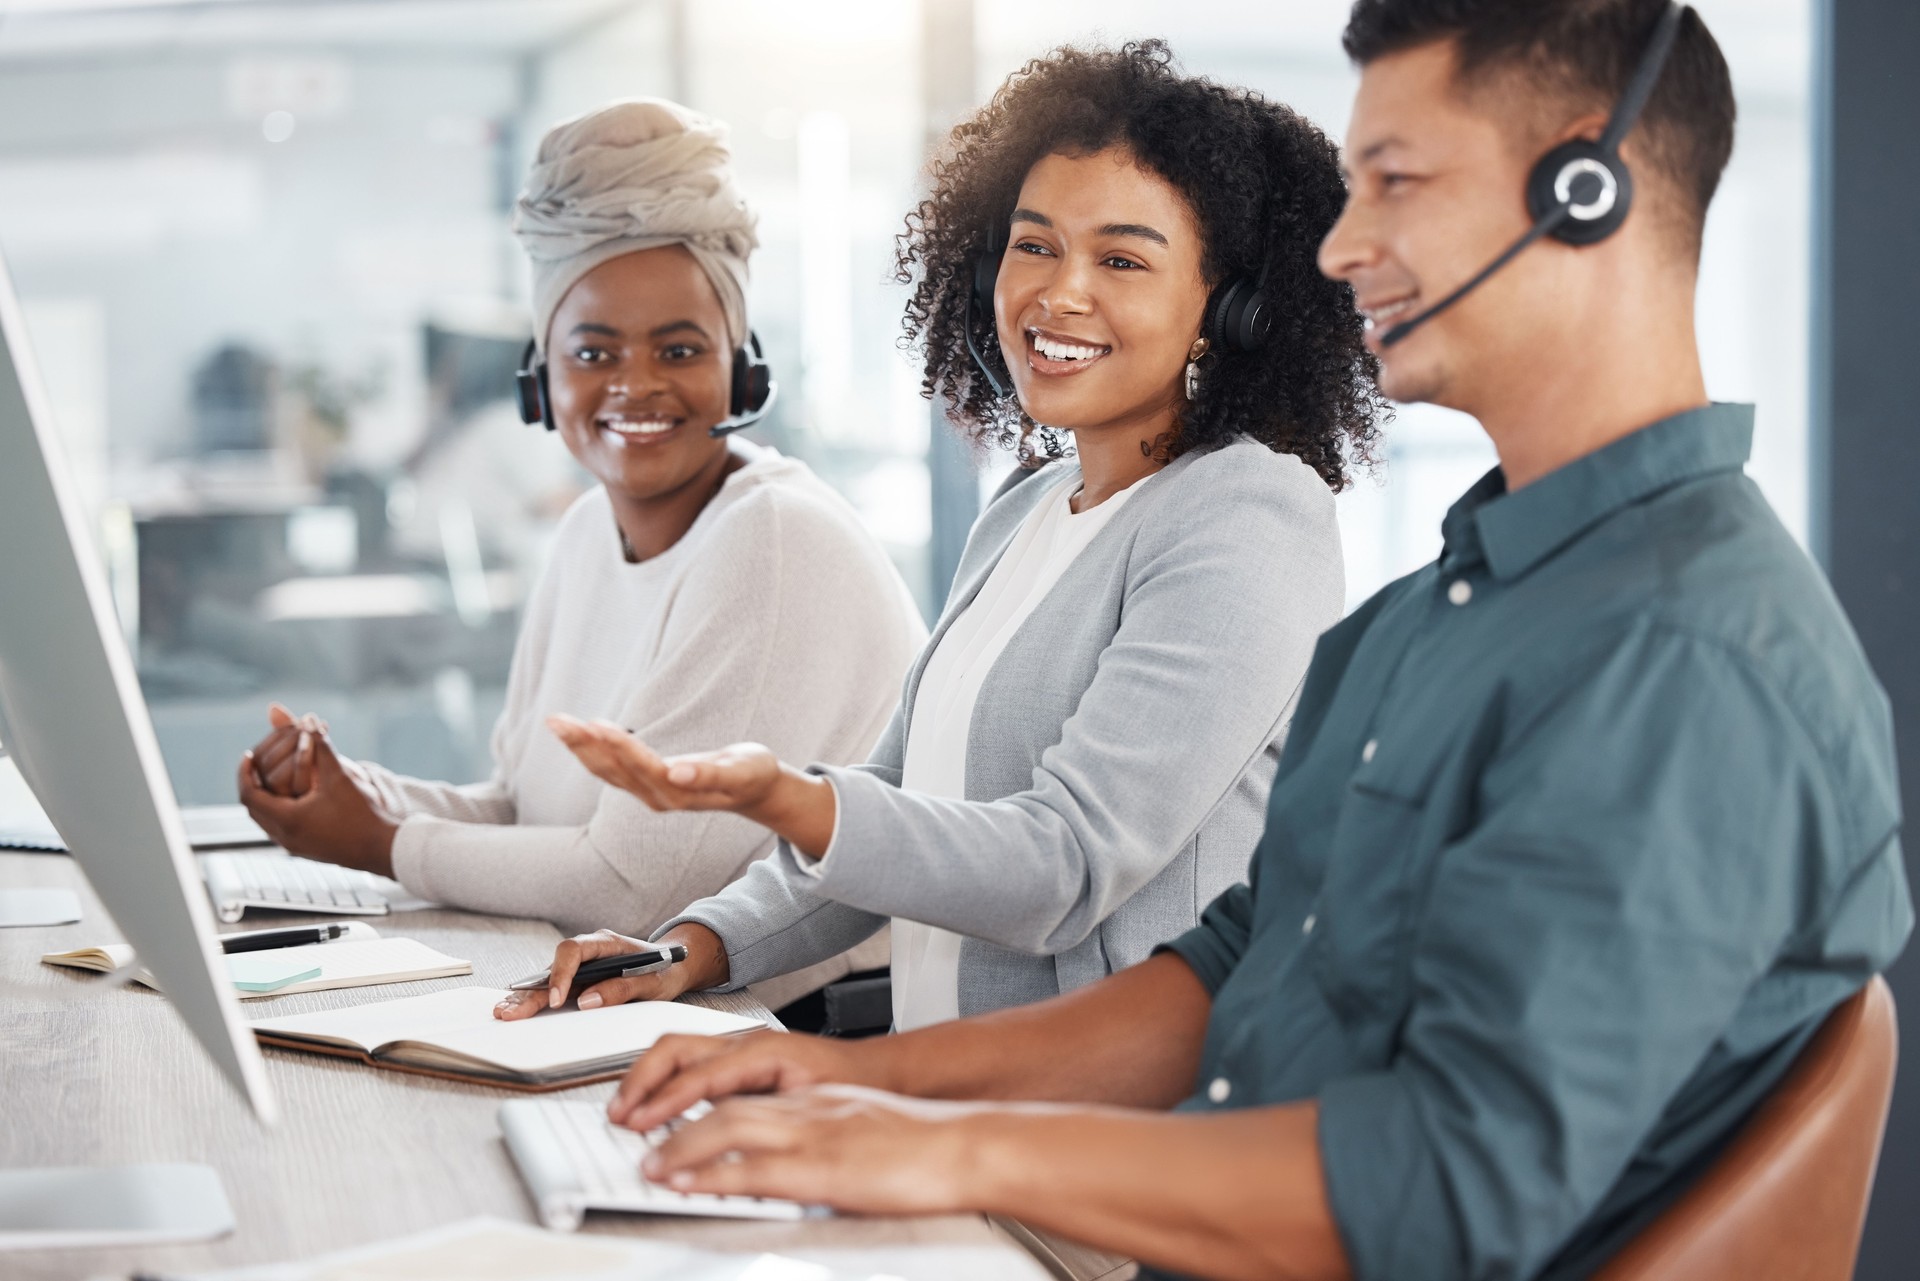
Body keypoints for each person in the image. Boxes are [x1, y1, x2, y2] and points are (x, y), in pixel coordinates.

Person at [526, 7, 1912, 1281]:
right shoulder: (1450, 603)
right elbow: (1238, 962)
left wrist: (942, 1142)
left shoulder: (1676, 658)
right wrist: (866, 1088)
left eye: (1398, 182)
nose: (1338, 244)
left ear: (1582, 192)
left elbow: (1454, 1189)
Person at [498, 43, 1380, 1029]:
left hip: (1107, 1143)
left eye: (1122, 259)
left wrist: (787, 798)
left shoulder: (1250, 515)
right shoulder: (1028, 508)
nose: (1060, 293)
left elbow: (1064, 863)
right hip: (949, 1119)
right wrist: (692, 947)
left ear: (1228, 313)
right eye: (1035, 244)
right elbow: (894, 817)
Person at [236, 100, 924, 1008]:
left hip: (791, 1033)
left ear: (740, 366)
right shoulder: (583, 533)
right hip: (651, 1010)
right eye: (594, 351)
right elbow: (525, 814)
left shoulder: (773, 538)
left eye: (679, 349)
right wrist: (360, 794)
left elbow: (633, 891)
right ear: (542, 376)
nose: (635, 385)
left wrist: (378, 841)